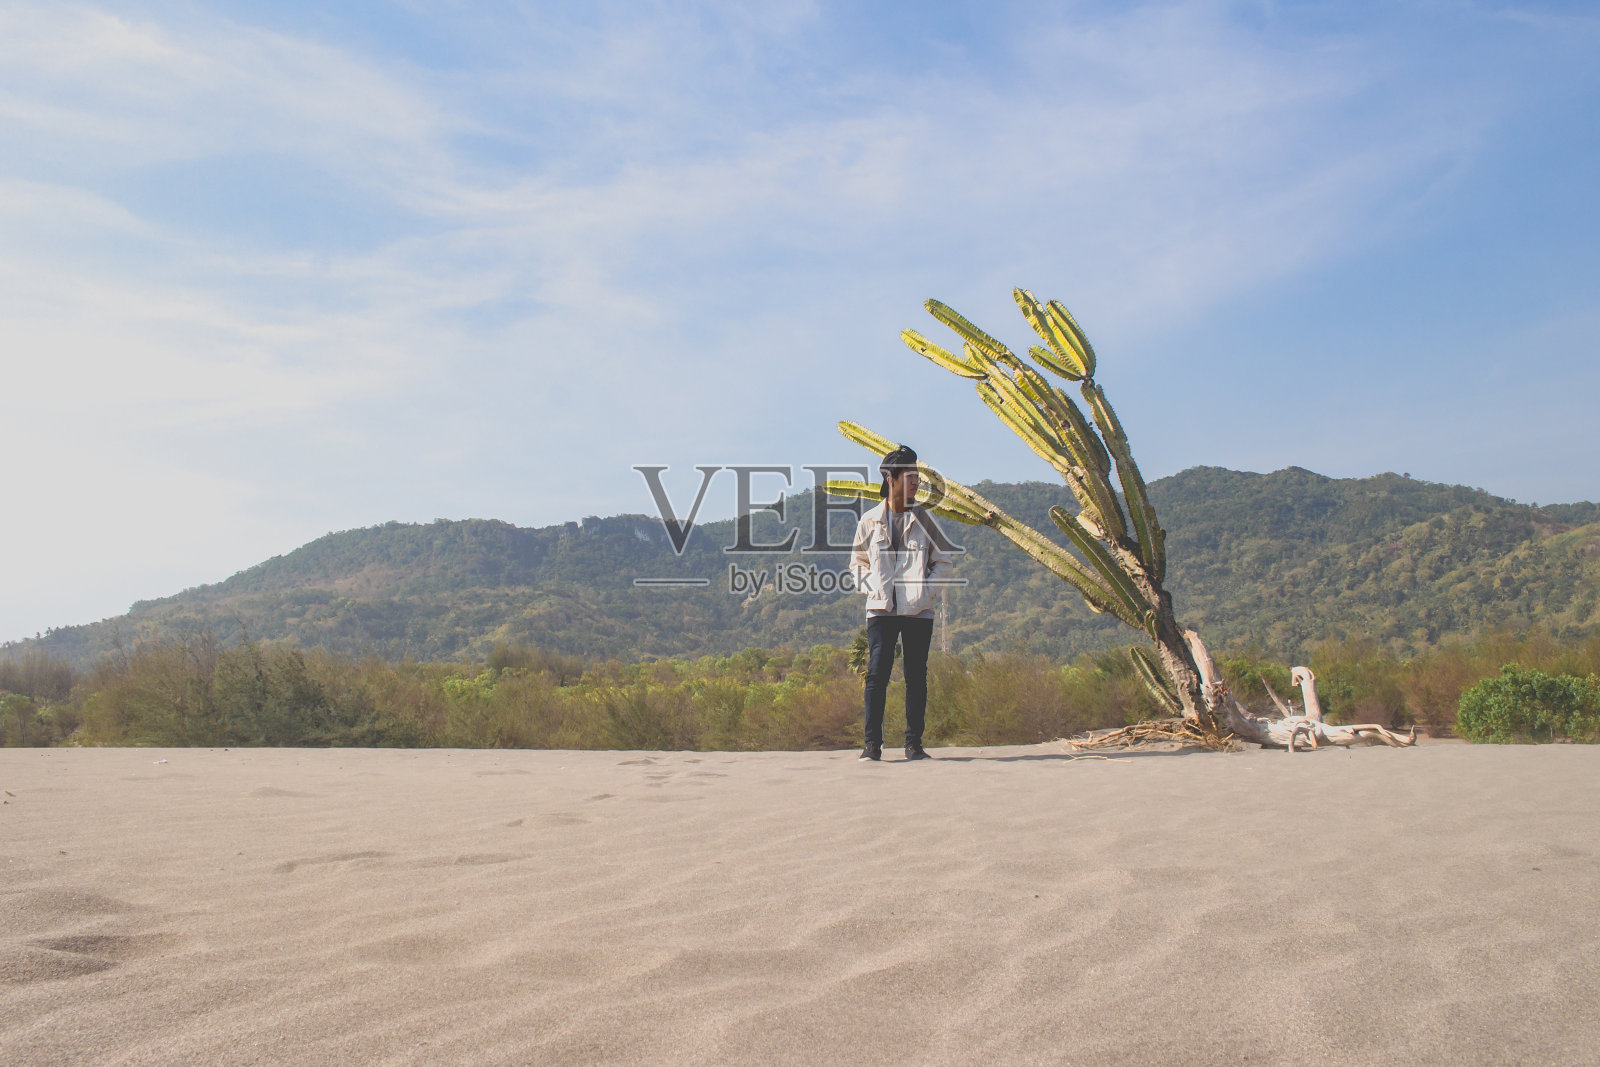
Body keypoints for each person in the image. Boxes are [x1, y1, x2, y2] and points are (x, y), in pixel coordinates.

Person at [849, 445, 955, 762]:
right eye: (910, 476)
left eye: (917, 477)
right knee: (876, 675)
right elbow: (857, 563)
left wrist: (925, 591)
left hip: (917, 611)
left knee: (916, 677)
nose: (916, 482)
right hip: (881, 610)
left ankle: (913, 745)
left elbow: (944, 561)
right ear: (891, 478)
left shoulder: (924, 520)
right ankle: (872, 746)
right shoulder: (869, 521)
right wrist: (873, 589)